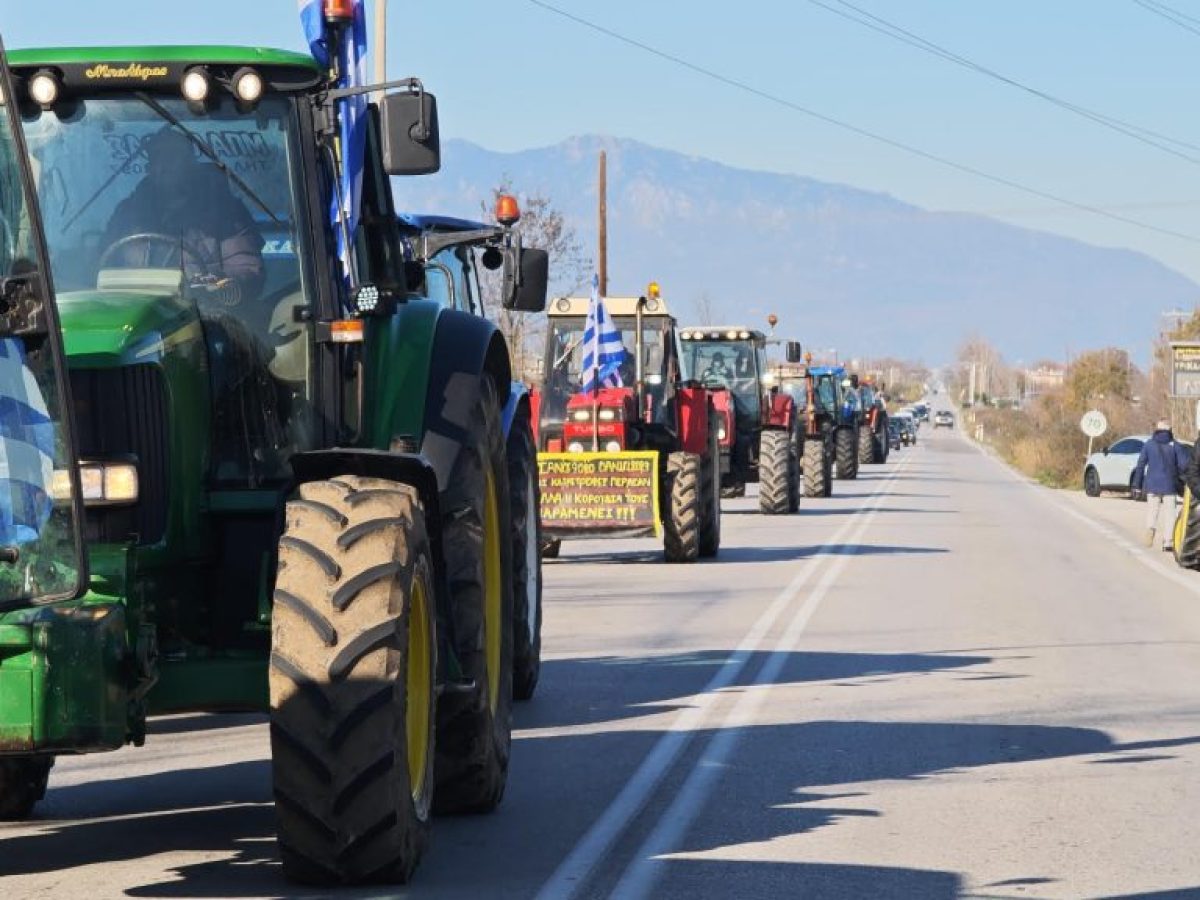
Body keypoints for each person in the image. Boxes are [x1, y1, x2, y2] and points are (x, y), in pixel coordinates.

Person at [102, 127, 265, 304]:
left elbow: (246, 268)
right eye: (158, 159)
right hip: (136, 316)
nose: (165, 167)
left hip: (206, 317)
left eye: (172, 158)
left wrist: (215, 285)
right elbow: (99, 265)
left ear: (190, 164)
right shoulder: (128, 214)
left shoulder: (225, 212)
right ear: (150, 168)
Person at [1132, 419, 1189, 550]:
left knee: (1152, 511)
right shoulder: (1175, 445)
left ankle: (1150, 529)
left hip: (1152, 484)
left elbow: (1140, 465)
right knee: (1170, 514)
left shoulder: (1149, 444)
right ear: (1170, 430)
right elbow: (1185, 465)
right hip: (1170, 484)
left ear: (1157, 429)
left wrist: (1137, 485)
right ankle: (1167, 542)